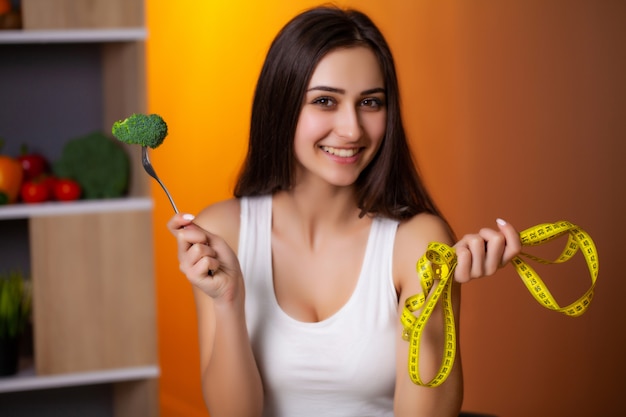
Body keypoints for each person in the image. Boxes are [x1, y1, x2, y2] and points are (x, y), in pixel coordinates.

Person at [168, 5, 521, 417]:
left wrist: (432, 304)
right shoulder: (222, 232)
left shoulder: (418, 242)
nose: (352, 129)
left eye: (370, 102)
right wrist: (228, 301)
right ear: (280, 106)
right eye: (325, 101)